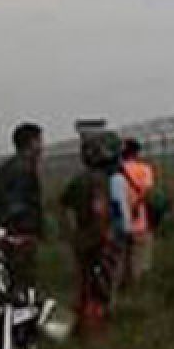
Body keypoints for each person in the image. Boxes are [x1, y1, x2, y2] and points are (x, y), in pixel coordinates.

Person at [59, 131, 131, 336]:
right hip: (102, 239)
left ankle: (82, 324)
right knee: (103, 284)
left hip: (82, 239)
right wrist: (107, 234)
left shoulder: (78, 180)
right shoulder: (104, 180)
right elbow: (102, 210)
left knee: (85, 283)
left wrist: (72, 234)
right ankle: (96, 329)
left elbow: (64, 206)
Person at [0, 122, 45, 292]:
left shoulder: (10, 167)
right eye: (40, 141)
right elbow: (15, 205)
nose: (43, 146)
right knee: (21, 283)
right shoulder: (22, 170)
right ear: (31, 143)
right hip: (20, 236)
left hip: (11, 234)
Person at [121, 138, 156, 288]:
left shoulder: (116, 170)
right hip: (140, 220)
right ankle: (136, 288)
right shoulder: (144, 169)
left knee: (121, 257)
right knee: (139, 258)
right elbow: (147, 192)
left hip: (119, 221)